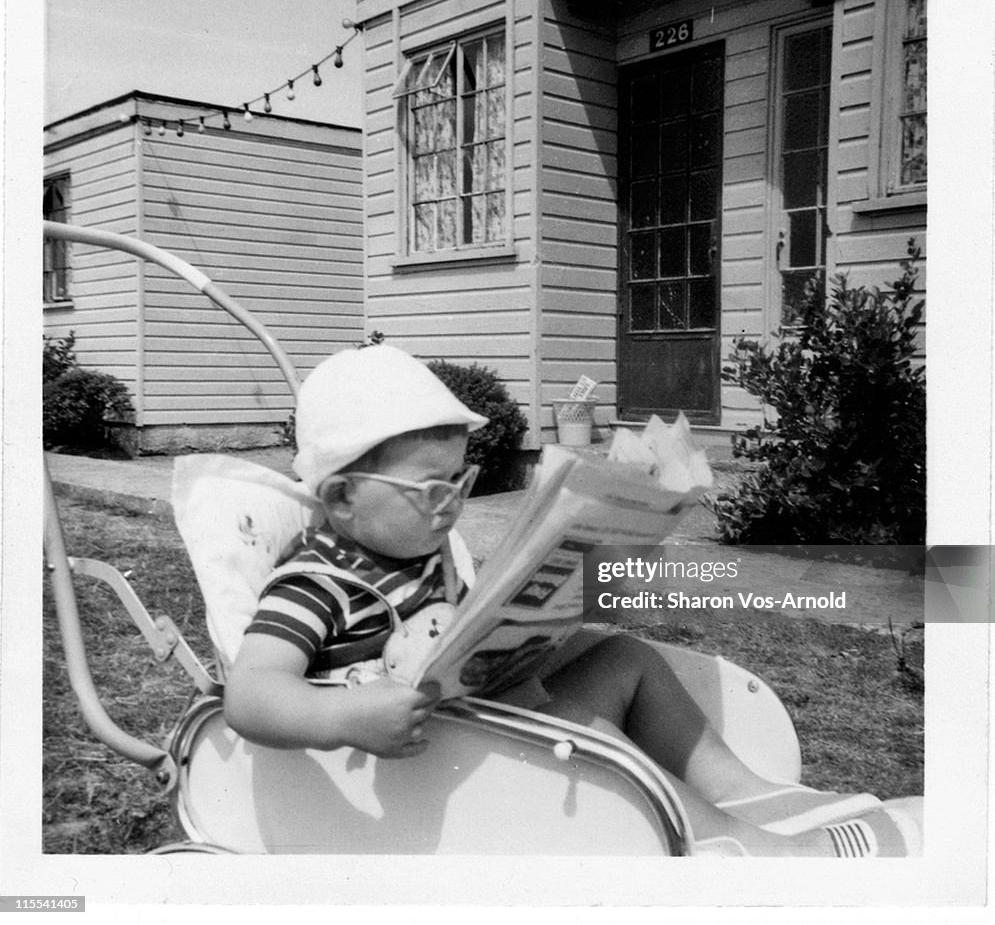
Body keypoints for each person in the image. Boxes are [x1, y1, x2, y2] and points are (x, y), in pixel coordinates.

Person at [223, 344, 921, 857]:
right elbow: (251, 694)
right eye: (430, 490)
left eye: (459, 484)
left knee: (625, 658)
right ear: (341, 496)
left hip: (487, 726)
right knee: (578, 720)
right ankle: (736, 847)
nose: (450, 508)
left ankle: (744, 792)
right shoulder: (316, 584)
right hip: (429, 763)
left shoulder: (423, 555)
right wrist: (343, 715)